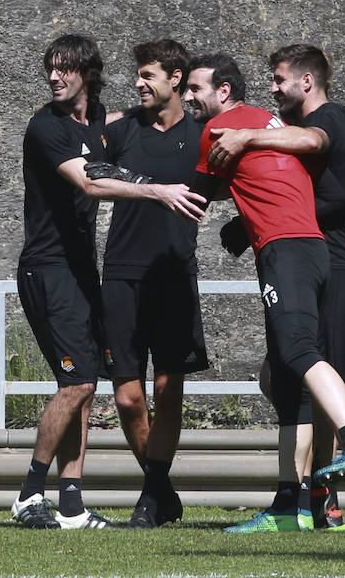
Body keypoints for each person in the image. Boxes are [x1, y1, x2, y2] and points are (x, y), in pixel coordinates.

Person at [182, 53, 345, 533]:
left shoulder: (325, 120)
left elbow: (338, 189)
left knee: (327, 380)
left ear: (308, 81)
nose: (272, 89)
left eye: (280, 80)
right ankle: (295, 501)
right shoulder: (281, 125)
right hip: (317, 252)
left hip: (327, 261)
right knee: (280, 377)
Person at [11, 34, 206, 530]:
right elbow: (92, 182)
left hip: (80, 272)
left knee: (82, 384)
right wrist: (156, 190)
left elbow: (147, 121)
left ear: (88, 74)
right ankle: (30, 494)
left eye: (65, 69)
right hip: (47, 269)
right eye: (49, 69)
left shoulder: (99, 122)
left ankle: (72, 502)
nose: (54, 77)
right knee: (79, 382)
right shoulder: (46, 127)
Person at [95, 39, 209, 528]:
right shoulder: (122, 131)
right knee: (126, 396)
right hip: (120, 273)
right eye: (137, 76)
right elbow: (88, 163)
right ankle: (161, 488)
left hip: (173, 276)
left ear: (176, 77)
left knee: (168, 388)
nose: (139, 83)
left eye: (148, 76)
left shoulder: (204, 136)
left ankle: (149, 498)